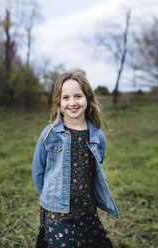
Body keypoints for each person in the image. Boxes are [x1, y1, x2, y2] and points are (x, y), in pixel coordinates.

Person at [32, 71, 119, 248]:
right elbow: (38, 170)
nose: (72, 102)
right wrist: (49, 198)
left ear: (87, 98)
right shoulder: (50, 134)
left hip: (86, 209)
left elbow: (95, 171)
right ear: (59, 102)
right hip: (58, 212)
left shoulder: (97, 137)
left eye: (78, 96)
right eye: (66, 97)